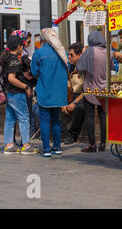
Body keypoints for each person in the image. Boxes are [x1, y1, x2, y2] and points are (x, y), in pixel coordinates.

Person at [31, 28, 69, 157]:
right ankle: (57, 147)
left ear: (42, 39)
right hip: (59, 93)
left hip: (45, 91)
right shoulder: (63, 53)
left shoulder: (39, 53)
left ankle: (46, 149)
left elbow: (34, 72)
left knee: (45, 121)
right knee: (56, 120)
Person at [0, 35, 38, 155]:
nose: (24, 47)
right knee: (24, 118)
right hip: (17, 93)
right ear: (19, 46)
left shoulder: (7, 58)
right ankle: (26, 145)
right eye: (23, 45)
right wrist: (26, 87)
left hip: (8, 93)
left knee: (10, 119)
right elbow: (11, 78)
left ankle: (9, 145)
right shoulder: (14, 59)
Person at [76, 31, 108, 152]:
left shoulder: (90, 51)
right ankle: (103, 143)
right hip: (104, 88)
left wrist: (84, 52)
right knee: (103, 116)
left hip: (90, 87)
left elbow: (80, 66)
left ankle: (92, 144)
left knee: (89, 116)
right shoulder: (108, 51)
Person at [63, 42, 86, 143]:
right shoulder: (71, 67)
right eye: (68, 54)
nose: (69, 57)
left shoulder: (85, 68)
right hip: (72, 94)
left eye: (71, 55)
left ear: (80, 55)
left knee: (80, 108)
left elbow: (87, 90)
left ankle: (72, 135)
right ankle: (62, 134)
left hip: (85, 95)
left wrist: (74, 102)